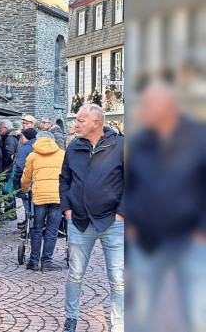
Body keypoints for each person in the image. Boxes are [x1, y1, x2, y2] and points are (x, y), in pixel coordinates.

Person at [126, 80, 206, 332]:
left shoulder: (198, 138)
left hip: (191, 238)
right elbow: (131, 185)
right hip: (146, 240)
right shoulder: (140, 142)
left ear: (168, 107)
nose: (142, 111)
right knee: (140, 315)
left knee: (197, 313)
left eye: (148, 105)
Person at [59, 104, 124, 332]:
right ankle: (71, 318)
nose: (75, 124)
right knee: (75, 274)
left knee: (118, 280)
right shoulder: (73, 148)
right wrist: (66, 208)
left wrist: (121, 214)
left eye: (81, 120)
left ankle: (118, 324)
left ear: (96, 122)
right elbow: (64, 179)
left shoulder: (121, 146)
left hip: (113, 222)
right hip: (79, 221)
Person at [20, 131, 65, 271]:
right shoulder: (62, 154)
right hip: (57, 197)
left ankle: (33, 261)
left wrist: (25, 189)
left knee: (37, 229)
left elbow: (26, 178)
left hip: (39, 197)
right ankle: (46, 262)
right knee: (52, 230)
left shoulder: (32, 156)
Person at [13, 128, 37, 233]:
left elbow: (20, 166)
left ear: (26, 137)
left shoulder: (24, 149)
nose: (22, 138)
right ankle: (34, 228)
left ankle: (29, 229)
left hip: (27, 181)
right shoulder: (38, 147)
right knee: (35, 206)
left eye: (23, 136)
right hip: (38, 181)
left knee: (28, 206)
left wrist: (17, 180)